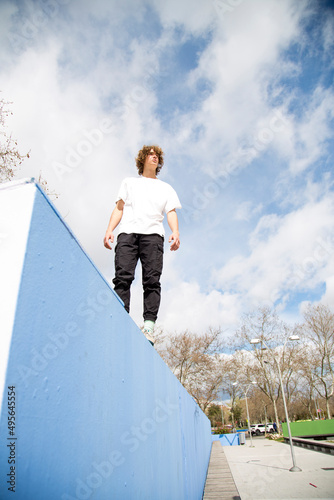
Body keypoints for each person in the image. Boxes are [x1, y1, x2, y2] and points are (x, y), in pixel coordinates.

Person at [103, 145, 181, 345]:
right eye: (151, 154)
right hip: (128, 233)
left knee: (152, 282)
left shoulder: (166, 188)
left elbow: (171, 212)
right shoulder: (129, 183)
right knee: (122, 278)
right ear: (143, 159)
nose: (154, 157)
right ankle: (120, 320)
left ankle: (148, 327)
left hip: (153, 236)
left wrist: (175, 231)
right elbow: (119, 208)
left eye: (157, 156)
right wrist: (110, 229)